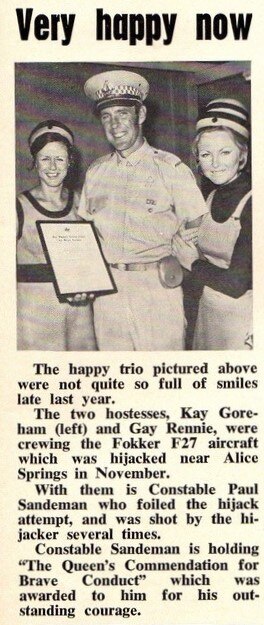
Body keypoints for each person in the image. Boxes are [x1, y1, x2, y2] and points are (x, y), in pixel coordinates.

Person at [78, 70, 207, 350]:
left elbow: (200, 228)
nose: (115, 125)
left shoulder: (170, 169)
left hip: (157, 290)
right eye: (106, 116)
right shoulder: (96, 173)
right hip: (107, 292)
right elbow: (85, 234)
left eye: (123, 113)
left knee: (161, 376)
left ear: (141, 114)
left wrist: (182, 264)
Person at [173, 99, 252, 350]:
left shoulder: (253, 201)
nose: (215, 163)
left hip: (244, 321)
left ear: (243, 154)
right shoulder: (210, 197)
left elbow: (237, 283)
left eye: (225, 152)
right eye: (206, 154)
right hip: (209, 314)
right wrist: (189, 242)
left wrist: (191, 261)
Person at [17, 120, 96, 350]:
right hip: (34, 313)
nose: (52, 166)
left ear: (70, 163)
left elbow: (91, 259)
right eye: (45, 158)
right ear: (35, 162)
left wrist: (88, 285)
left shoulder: (81, 203)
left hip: (79, 313)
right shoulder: (18, 207)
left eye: (59, 159)